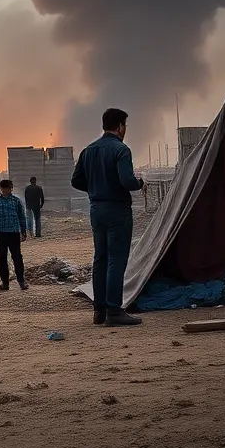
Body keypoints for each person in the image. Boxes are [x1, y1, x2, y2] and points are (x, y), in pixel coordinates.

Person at [72, 108, 145, 327]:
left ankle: (99, 311)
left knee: (100, 259)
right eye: (125, 126)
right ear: (120, 127)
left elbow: (75, 181)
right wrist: (140, 183)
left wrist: (95, 188)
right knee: (117, 259)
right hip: (117, 210)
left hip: (96, 209)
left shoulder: (89, 150)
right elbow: (127, 181)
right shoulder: (121, 150)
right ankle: (114, 310)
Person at [0, 179, 29, 291]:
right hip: (0, 233)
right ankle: (5, 283)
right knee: (2, 258)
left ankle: (21, 281)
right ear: (1, 189)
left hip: (14, 232)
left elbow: (22, 216)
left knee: (17, 257)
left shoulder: (16, 201)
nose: (7, 190)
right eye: (5, 188)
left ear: (11, 188)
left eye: (9, 188)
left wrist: (23, 231)